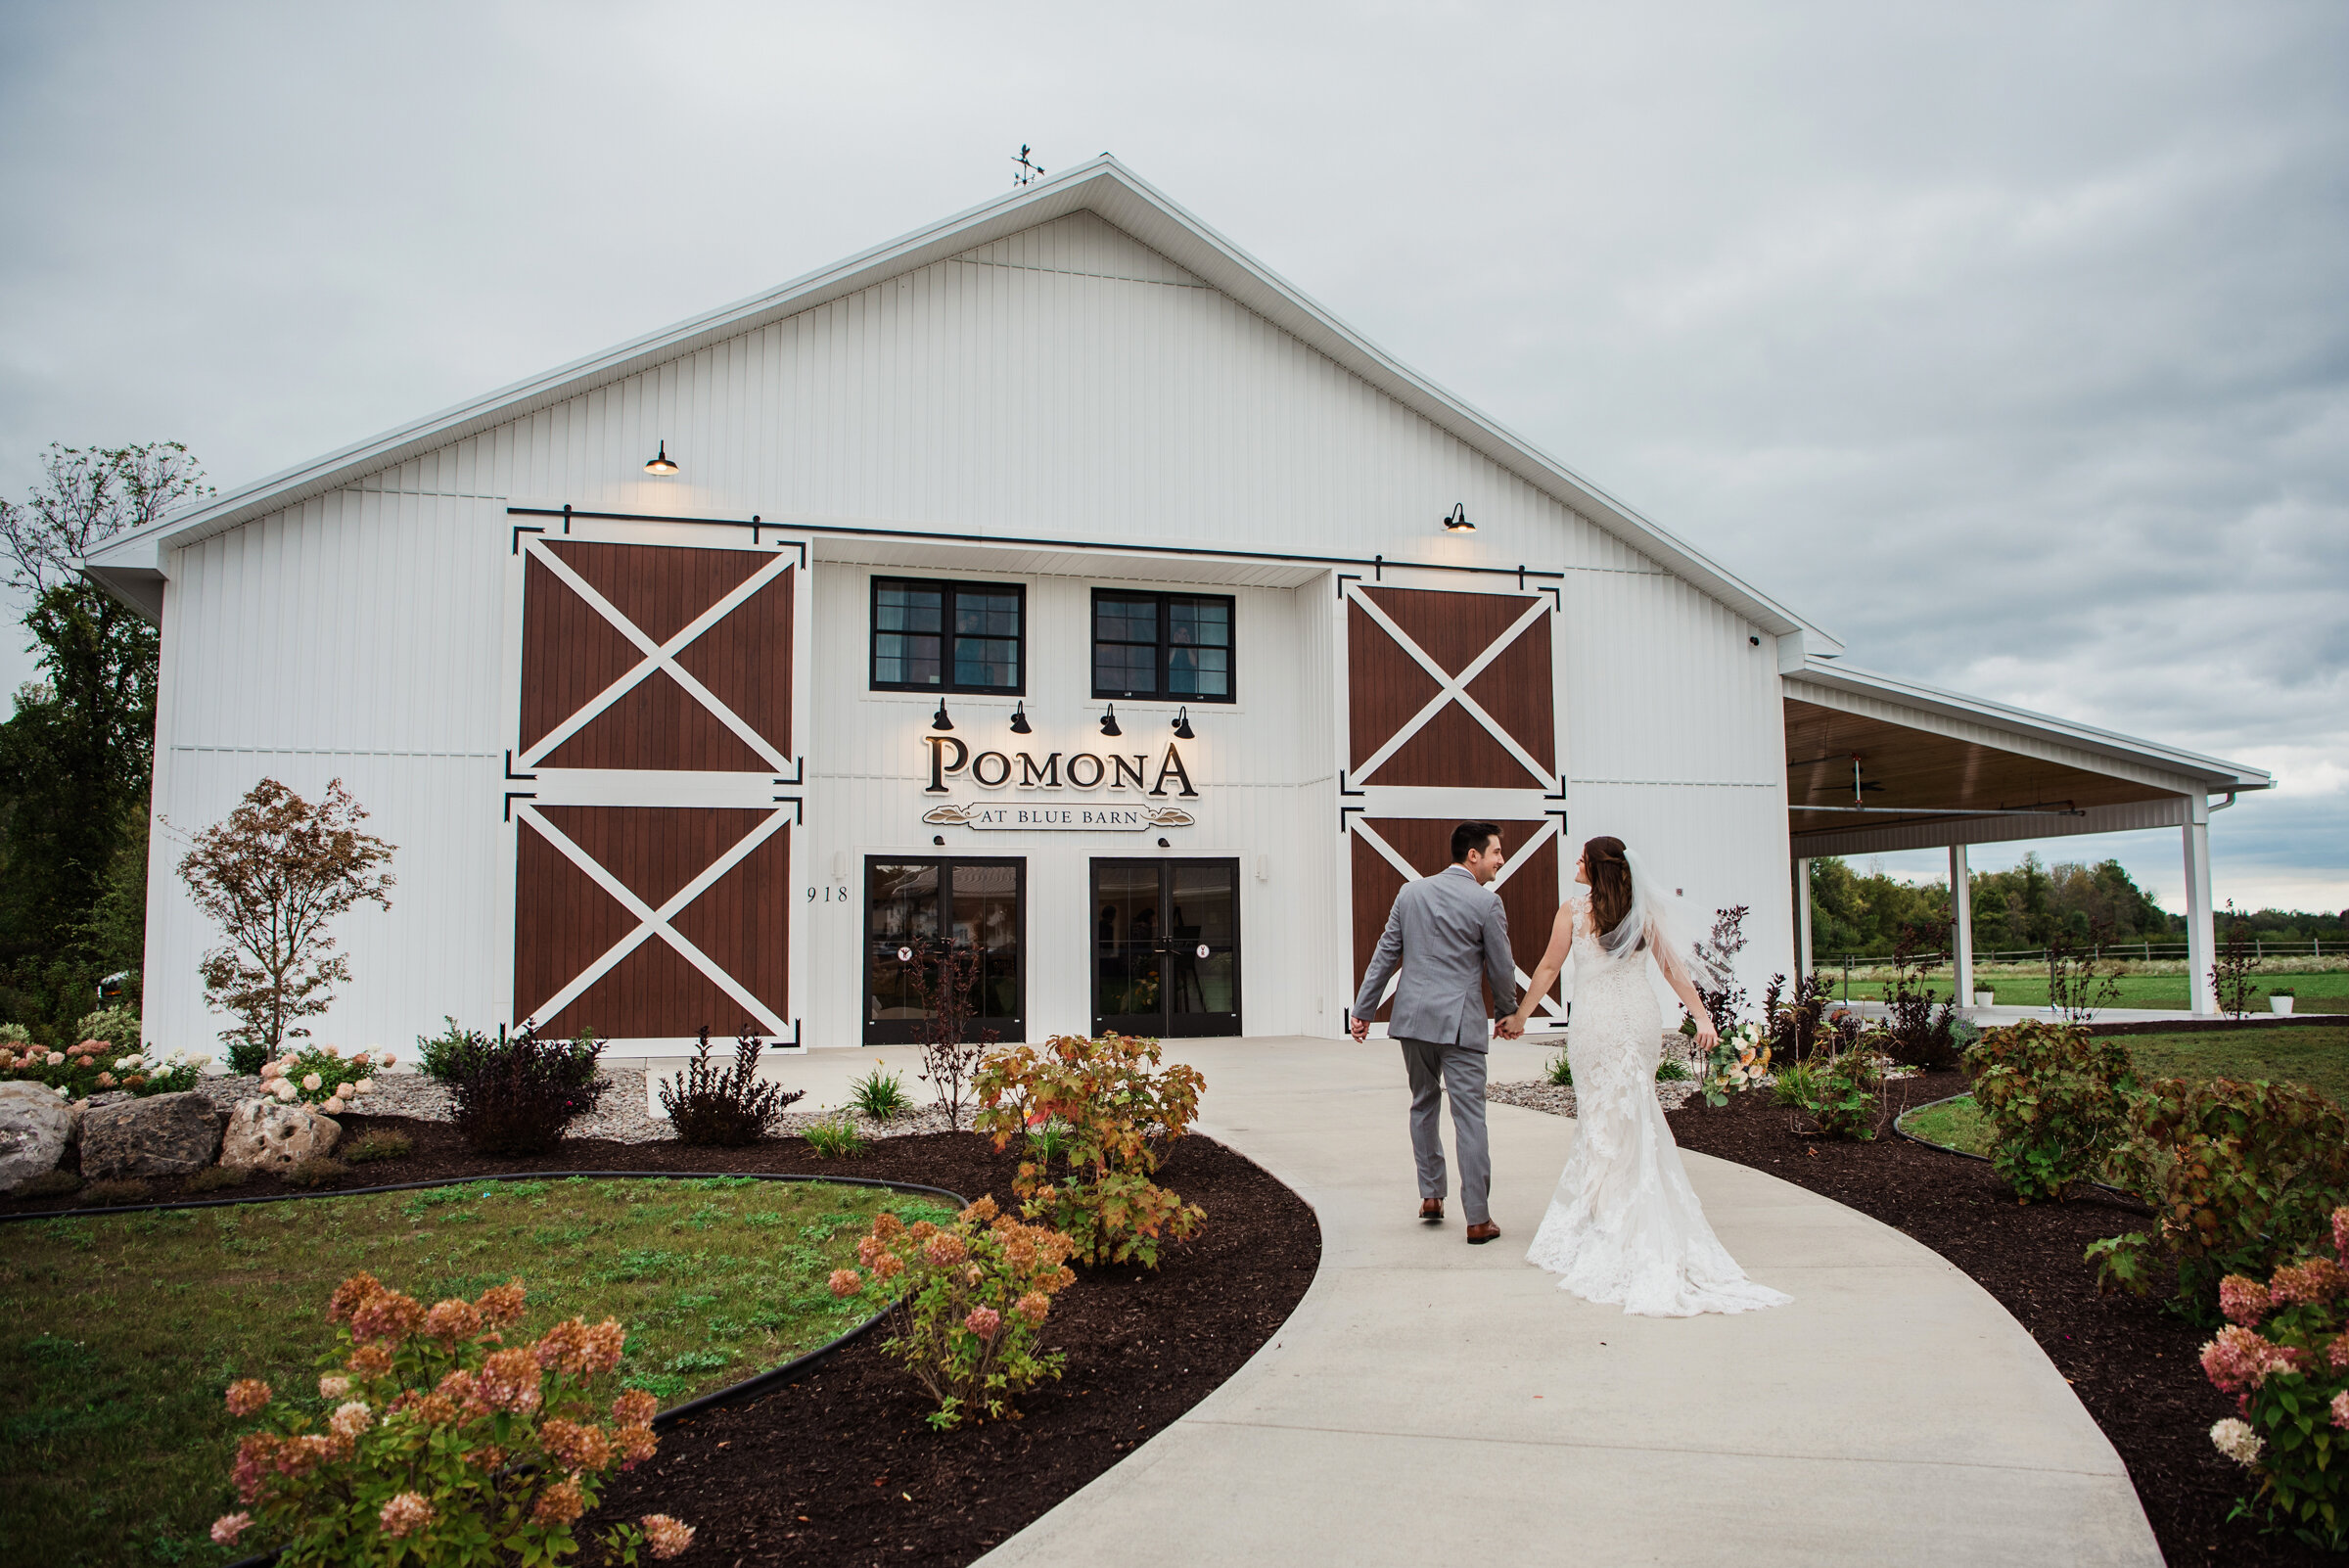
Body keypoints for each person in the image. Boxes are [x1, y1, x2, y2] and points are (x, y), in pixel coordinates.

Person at [1498, 835, 1790, 1314]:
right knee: (1633, 1113)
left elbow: (1550, 966)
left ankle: (1607, 1217)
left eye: (1581, 858)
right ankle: (1627, 1206)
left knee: (1600, 1117)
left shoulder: (1573, 911)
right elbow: (1673, 969)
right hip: (1638, 1021)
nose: (1575, 862)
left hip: (1596, 1025)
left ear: (1594, 868)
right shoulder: (1642, 914)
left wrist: (1523, 1016)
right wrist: (1701, 1015)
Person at [1351, 822, 1520, 1244]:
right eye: (1496, 852)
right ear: (1473, 855)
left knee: (1423, 1103)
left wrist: (1364, 1010)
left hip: (1412, 1020)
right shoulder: (1487, 903)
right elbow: (1501, 968)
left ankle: (1430, 1196)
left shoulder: (1411, 893)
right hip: (1459, 1024)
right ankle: (1478, 1220)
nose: (1501, 859)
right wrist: (1506, 1011)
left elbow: (1385, 951)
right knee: (1470, 1118)